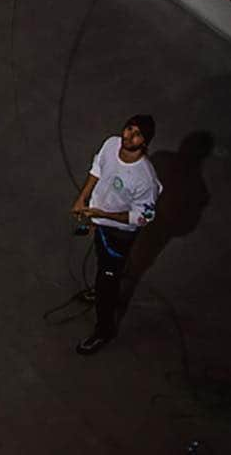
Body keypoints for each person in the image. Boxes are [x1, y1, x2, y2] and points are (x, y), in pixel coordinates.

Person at [70, 114, 162, 355]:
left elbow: (142, 217)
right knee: (103, 264)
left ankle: (104, 330)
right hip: (100, 220)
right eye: (128, 129)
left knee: (108, 276)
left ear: (145, 142)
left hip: (118, 234)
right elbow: (97, 168)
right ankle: (103, 289)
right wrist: (83, 198)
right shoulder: (111, 144)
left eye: (137, 134)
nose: (128, 136)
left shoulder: (145, 179)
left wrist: (105, 215)